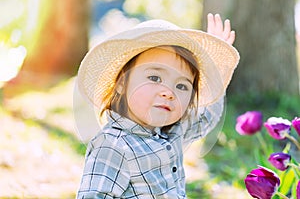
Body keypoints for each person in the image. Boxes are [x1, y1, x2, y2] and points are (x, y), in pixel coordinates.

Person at [76, 13, 239, 198]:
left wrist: (216, 71)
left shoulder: (172, 133)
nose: (168, 92)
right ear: (121, 83)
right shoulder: (113, 145)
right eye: (154, 78)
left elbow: (206, 117)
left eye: (181, 86)